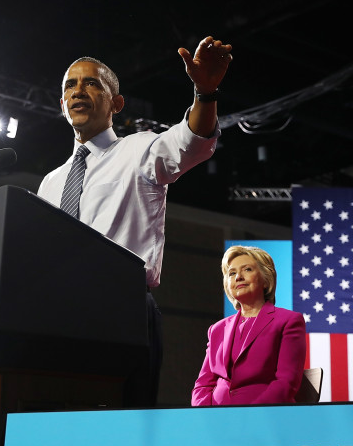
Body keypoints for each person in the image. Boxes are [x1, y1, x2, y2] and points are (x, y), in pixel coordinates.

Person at [37, 36, 233, 406]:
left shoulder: (139, 148)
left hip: (122, 309)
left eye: (92, 82)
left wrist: (205, 93)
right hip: (58, 316)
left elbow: (193, 140)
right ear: (62, 104)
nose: (79, 90)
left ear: (117, 103)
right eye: (70, 86)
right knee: (61, 421)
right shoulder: (50, 182)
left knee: (121, 424)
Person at [191, 245, 306, 405]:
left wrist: (251, 415)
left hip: (264, 418)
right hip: (217, 421)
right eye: (232, 273)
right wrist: (204, 417)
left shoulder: (289, 321)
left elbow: (286, 382)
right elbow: (203, 385)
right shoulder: (217, 329)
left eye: (247, 270)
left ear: (266, 280)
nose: (238, 277)